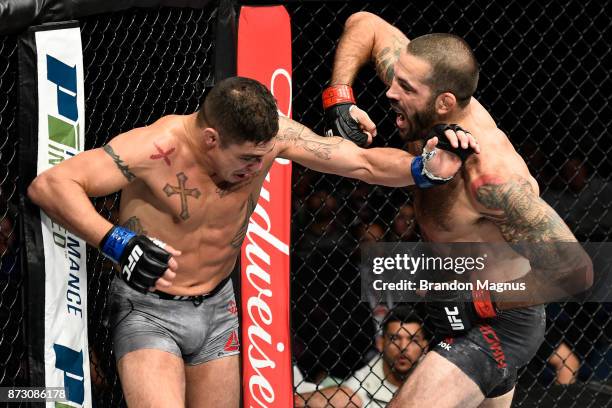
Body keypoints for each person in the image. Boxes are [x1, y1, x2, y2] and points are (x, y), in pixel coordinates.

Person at [27, 76, 478, 407]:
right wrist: (117, 241)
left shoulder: (271, 135)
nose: (252, 171)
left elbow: (358, 162)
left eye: (262, 159)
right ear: (210, 137)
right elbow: (51, 185)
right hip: (149, 308)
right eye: (244, 159)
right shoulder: (154, 147)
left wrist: (423, 168)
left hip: (218, 307)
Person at [323, 12, 592, 408]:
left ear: (444, 102)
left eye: (404, 87)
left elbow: (577, 270)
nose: (389, 92)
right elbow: (366, 23)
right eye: (395, 78)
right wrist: (340, 98)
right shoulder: (425, 100)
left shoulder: (492, 177)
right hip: (448, 298)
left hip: (497, 320)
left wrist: (493, 299)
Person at [295, 306, 429, 407]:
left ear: (425, 346)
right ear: (381, 343)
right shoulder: (361, 383)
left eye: (413, 340)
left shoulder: (436, 371)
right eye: (394, 338)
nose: (404, 347)